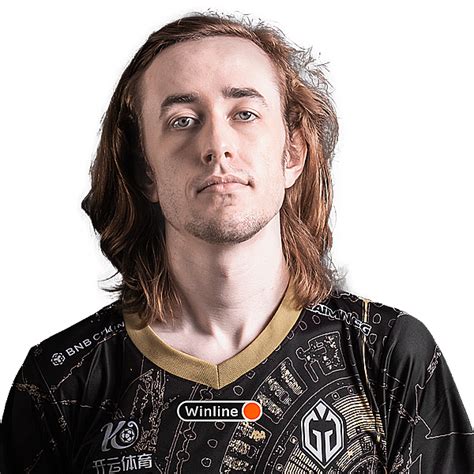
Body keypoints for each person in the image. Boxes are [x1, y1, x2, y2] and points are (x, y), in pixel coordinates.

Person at [2, 11, 473, 473]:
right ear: (145, 170)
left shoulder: (388, 356)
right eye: (183, 120)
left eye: (245, 114)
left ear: (292, 154)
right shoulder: (61, 382)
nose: (217, 145)